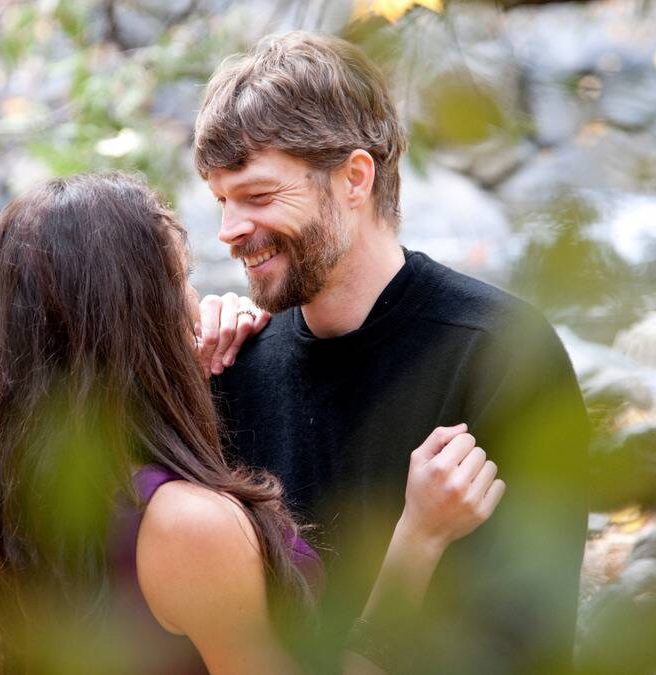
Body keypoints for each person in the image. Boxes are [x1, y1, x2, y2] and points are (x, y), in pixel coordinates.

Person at [0, 172, 506, 674]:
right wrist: (420, 537)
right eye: (180, 279)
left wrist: (181, 383)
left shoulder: (27, 493)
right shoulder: (189, 525)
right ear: (136, 318)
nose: (197, 302)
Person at [192, 31, 590, 674]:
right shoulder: (233, 367)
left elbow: (528, 647)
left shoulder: (502, 356)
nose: (228, 230)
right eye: (222, 201)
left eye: (259, 197)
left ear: (354, 178)